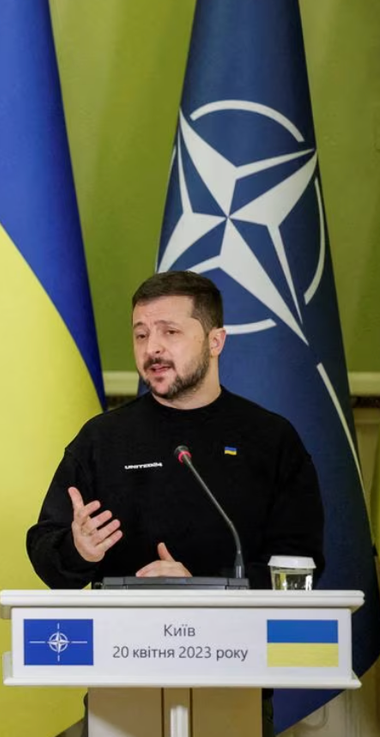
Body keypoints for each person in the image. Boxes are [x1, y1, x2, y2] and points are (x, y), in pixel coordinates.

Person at [27, 270, 323, 736]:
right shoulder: (103, 440)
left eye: (170, 332)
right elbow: (45, 551)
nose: (153, 349)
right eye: (141, 334)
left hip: (234, 680)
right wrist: (78, 549)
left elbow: (301, 564)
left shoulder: (269, 439)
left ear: (215, 341)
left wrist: (204, 588)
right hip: (121, 681)